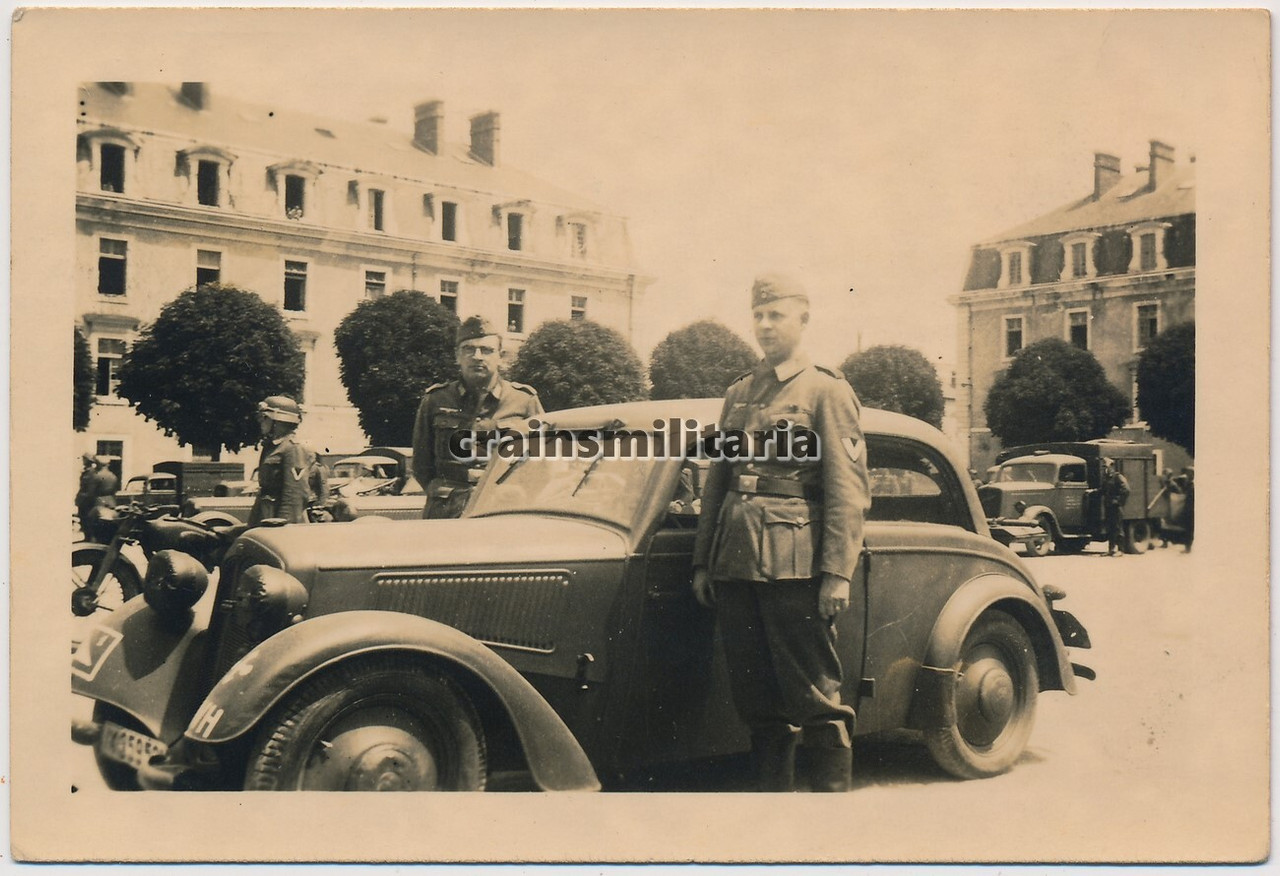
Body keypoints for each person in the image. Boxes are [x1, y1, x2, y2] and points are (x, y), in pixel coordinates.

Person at [692, 274, 872, 792]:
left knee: (814, 695)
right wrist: (704, 561)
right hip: (736, 561)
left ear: (803, 319)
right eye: (759, 315)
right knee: (755, 696)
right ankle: (772, 810)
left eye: (777, 315)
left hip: (796, 564)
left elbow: (847, 490)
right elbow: (718, 484)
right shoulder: (739, 393)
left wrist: (837, 573)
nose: (766, 325)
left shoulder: (826, 389)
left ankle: (828, 815)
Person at [412, 315, 543, 519]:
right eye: (469, 349)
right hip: (447, 512)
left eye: (487, 350)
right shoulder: (436, 400)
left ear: (501, 356)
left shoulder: (524, 400)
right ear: (457, 356)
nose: (478, 356)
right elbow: (421, 465)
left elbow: (541, 461)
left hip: (503, 510)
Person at [248, 395, 327, 525]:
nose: (261, 422)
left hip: (281, 521)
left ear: (278, 421)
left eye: (264, 418)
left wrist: (282, 524)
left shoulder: (293, 448)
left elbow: (294, 493)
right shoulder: (271, 447)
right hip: (265, 515)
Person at [76, 454, 118, 536]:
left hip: (98, 503)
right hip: (111, 502)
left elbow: (90, 493)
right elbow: (114, 491)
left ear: (98, 464)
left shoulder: (97, 476)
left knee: (93, 526)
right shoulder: (113, 476)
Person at [1101, 458, 1130, 556]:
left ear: (1112, 466)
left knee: (1118, 528)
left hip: (1116, 507)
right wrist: (1092, 492)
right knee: (1110, 528)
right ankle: (1111, 549)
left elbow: (1126, 490)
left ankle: (1120, 550)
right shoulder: (1107, 478)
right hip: (1108, 506)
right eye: (1104, 467)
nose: (1105, 468)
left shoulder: (1118, 477)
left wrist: (1118, 501)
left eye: (1106, 466)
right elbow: (1103, 490)